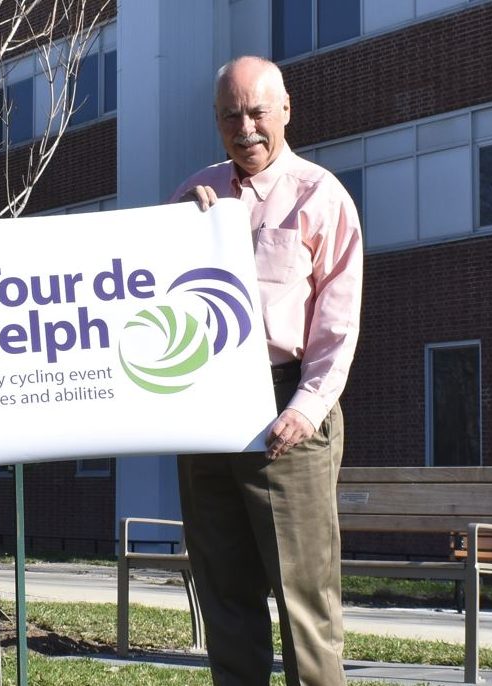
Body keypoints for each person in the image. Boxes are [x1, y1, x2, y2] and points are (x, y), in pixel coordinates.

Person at [170, 56, 363, 685]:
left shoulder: (320, 195)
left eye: (257, 112)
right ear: (216, 120)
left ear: (285, 110)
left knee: (304, 604)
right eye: (231, 115)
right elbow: (152, 300)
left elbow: (337, 323)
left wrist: (306, 409)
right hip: (206, 409)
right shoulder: (192, 195)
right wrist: (173, 230)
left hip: (287, 407)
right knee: (223, 594)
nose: (245, 127)